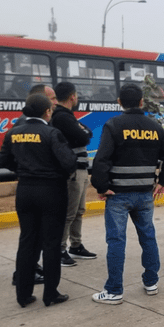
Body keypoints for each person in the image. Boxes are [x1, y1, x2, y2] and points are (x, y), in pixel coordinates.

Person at [90, 84, 164, 305]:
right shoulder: (154, 126)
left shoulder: (113, 125)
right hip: (145, 194)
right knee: (148, 237)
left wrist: (101, 186)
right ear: (141, 102)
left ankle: (114, 291)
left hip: (118, 195)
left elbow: (101, 159)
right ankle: (151, 282)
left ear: (119, 102)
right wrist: (163, 181)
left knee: (116, 241)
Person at [0, 94, 77, 308]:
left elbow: (3, 160)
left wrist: (25, 171)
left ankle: (23, 295)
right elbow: (69, 161)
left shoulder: (13, 132)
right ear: (47, 112)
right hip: (51, 192)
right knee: (51, 243)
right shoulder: (51, 133)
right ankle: (50, 294)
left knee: (27, 242)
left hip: (25, 191)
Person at [10, 84, 59, 285]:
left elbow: (7, 159)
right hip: (41, 187)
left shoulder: (20, 125)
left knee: (31, 236)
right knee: (33, 237)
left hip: (27, 186)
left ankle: (28, 272)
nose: (55, 103)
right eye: (52, 99)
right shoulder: (34, 126)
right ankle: (25, 273)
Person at [51, 82, 96, 267]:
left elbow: (87, 131)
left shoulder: (68, 117)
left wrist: (82, 131)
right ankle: (60, 249)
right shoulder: (62, 117)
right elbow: (85, 136)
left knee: (79, 210)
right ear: (72, 97)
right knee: (68, 212)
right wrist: (82, 131)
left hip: (81, 169)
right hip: (73, 171)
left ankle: (75, 245)